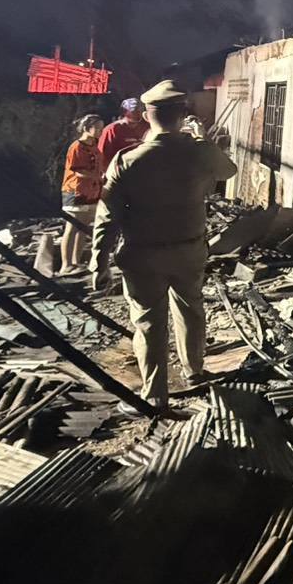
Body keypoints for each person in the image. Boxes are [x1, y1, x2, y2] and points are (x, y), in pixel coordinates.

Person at [89, 80, 237, 410]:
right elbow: (229, 170)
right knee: (191, 310)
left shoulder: (128, 160)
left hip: (143, 254)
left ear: (146, 115)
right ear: (183, 114)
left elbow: (108, 216)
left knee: (148, 323)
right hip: (189, 250)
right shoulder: (199, 152)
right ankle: (194, 371)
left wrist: (99, 261)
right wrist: (201, 137)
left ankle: (155, 395)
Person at [59, 114, 105, 273]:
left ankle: (75, 262)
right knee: (71, 228)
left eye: (101, 128)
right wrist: (97, 176)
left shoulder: (94, 146)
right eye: (97, 128)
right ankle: (66, 264)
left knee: (82, 228)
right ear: (86, 128)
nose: (100, 131)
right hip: (76, 191)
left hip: (91, 192)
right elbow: (78, 170)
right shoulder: (77, 147)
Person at [97, 97, 147, 170]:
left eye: (140, 110)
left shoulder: (146, 126)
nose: (138, 114)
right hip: (120, 170)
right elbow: (102, 155)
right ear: (124, 112)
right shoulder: (112, 129)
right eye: (134, 111)